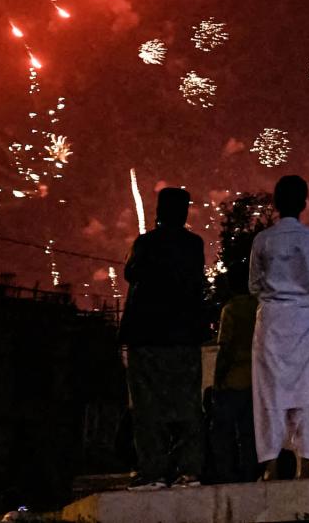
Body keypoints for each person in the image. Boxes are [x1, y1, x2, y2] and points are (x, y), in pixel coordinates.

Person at [119, 186, 206, 490]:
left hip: (148, 336)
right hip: (184, 336)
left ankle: (153, 470)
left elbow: (130, 273)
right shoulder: (194, 245)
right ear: (184, 213)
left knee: (147, 407)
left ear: (158, 212)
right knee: (187, 403)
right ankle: (189, 469)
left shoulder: (146, 243)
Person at [250, 175, 309, 479]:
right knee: (308, 395)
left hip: (271, 324)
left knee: (269, 396)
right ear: (303, 203)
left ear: (276, 203)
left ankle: (270, 465)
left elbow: (254, 284)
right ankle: (307, 464)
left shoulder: (263, 241)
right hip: (308, 323)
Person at [208, 265, 259, 483]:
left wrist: (218, 379)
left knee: (222, 431)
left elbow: (226, 348)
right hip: (256, 378)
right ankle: (250, 472)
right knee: (249, 432)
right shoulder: (258, 306)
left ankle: (227, 473)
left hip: (233, 380)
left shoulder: (230, 309)